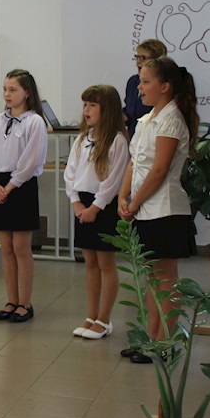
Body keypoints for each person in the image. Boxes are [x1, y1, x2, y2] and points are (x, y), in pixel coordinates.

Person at [119, 57, 198, 364]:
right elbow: (136, 162)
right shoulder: (147, 119)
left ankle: (164, 342)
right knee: (152, 279)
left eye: (146, 82)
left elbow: (159, 170)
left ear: (165, 87)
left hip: (164, 209)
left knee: (165, 280)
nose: (139, 87)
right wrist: (123, 196)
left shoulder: (171, 119)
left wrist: (135, 201)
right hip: (144, 209)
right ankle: (151, 339)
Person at [0, 69, 48, 323]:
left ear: (27, 92)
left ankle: (25, 303)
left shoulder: (35, 122)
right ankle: (11, 300)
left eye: (13, 90)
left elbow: (30, 161)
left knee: (21, 247)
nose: (7, 94)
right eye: (5, 89)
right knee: (6, 247)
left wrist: (9, 187)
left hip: (21, 187)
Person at [64, 85, 129, 340]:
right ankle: (91, 316)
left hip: (104, 206)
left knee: (105, 263)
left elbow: (114, 180)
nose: (86, 110)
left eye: (93, 105)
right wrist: (76, 203)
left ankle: (104, 319)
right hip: (83, 204)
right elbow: (70, 173)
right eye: (85, 105)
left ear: (108, 109)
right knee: (90, 262)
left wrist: (95, 207)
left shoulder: (117, 140)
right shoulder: (83, 139)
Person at [123, 39, 167, 138]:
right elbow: (129, 111)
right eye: (137, 57)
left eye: (143, 58)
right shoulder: (133, 82)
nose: (138, 61)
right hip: (133, 140)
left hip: (154, 138)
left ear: (157, 61)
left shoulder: (161, 85)